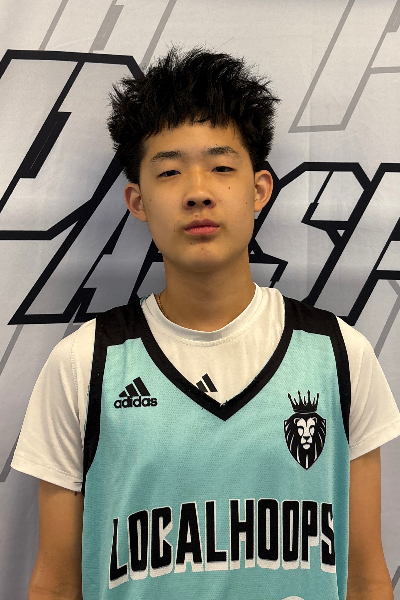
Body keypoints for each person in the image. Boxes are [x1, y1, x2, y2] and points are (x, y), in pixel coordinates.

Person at [12, 47, 399, 600]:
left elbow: (364, 577)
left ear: (259, 189)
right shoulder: (84, 363)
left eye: (221, 167)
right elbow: (55, 584)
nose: (198, 191)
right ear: (137, 200)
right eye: (170, 171)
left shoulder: (338, 353)